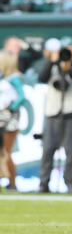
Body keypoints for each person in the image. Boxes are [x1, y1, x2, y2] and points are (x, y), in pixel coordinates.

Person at [38, 36, 72, 194]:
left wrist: (69, 70)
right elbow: (42, 78)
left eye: (70, 49)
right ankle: (43, 183)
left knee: (71, 150)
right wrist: (52, 62)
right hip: (53, 111)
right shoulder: (55, 63)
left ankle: (70, 183)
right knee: (48, 149)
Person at [0, 50, 25, 191]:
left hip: (10, 120)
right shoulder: (3, 77)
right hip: (1, 119)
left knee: (6, 152)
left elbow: (21, 96)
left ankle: (12, 183)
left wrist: (11, 108)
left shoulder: (14, 78)